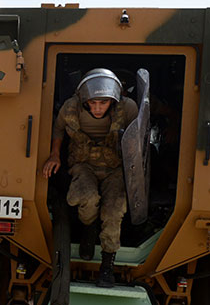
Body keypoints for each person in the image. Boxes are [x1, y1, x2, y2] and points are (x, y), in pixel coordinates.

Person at [42, 68, 138, 287]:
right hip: (83, 165)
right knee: (87, 198)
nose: (97, 108)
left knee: (114, 210)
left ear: (113, 100)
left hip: (115, 168)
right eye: (92, 103)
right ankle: (89, 228)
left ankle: (107, 265)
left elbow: (139, 135)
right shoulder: (70, 107)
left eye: (103, 103)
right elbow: (58, 129)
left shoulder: (128, 108)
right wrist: (55, 155)